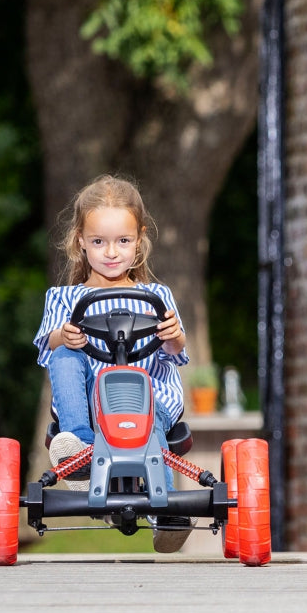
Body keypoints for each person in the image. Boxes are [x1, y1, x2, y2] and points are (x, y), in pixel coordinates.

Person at [33, 174, 193, 552]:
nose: (111, 252)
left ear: (139, 242)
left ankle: (166, 511)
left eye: (122, 241)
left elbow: (176, 349)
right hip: (89, 405)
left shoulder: (155, 295)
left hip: (147, 398)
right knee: (63, 351)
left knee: (151, 424)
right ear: (80, 243)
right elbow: (46, 345)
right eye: (99, 242)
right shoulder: (64, 297)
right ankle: (81, 451)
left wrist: (172, 334)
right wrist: (64, 335)